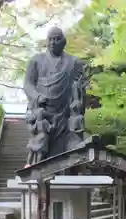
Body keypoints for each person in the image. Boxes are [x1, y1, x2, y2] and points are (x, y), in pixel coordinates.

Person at [23, 26, 86, 163]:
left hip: (64, 114)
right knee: (40, 147)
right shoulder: (36, 61)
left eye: (57, 39)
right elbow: (28, 84)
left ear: (64, 42)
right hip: (43, 112)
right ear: (47, 41)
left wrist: (78, 100)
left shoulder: (73, 62)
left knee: (66, 147)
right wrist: (37, 97)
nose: (53, 43)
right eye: (50, 39)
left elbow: (78, 87)